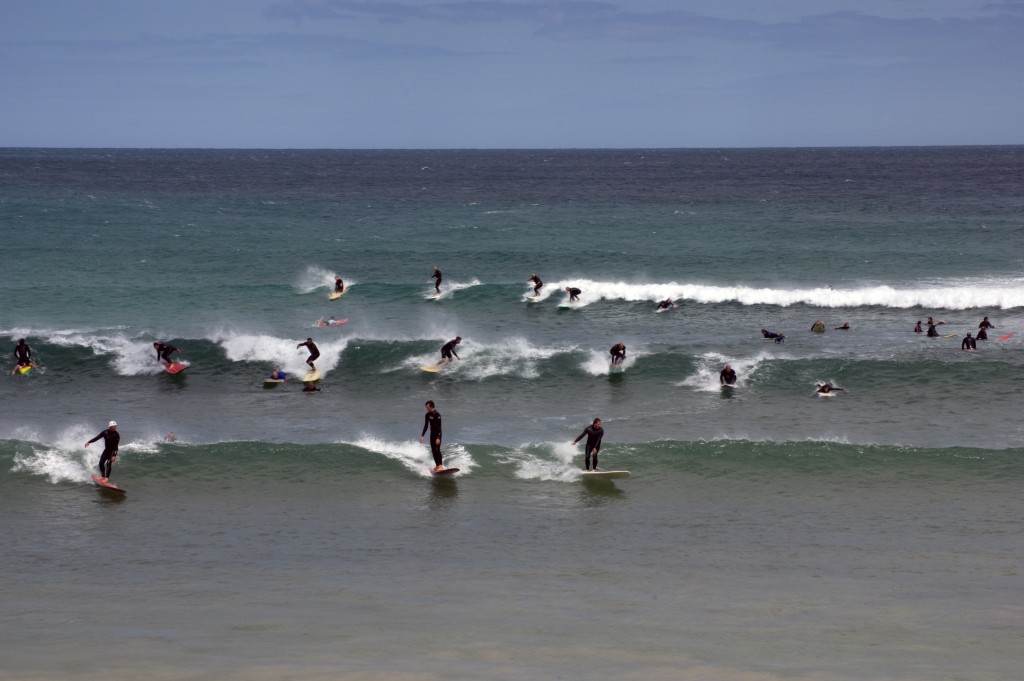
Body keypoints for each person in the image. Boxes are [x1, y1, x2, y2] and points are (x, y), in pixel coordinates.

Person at [419, 400, 444, 472]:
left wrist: (438, 437)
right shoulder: (427, 415)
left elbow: (439, 427)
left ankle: (440, 466)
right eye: (426, 407)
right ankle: (437, 466)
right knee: (433, 450)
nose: (426, 408)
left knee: (437, 449)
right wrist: (422, 435)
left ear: (432, 406)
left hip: (438, 434)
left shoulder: (437, 415)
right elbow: (426, 426)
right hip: (432, 434)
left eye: (427, 407)